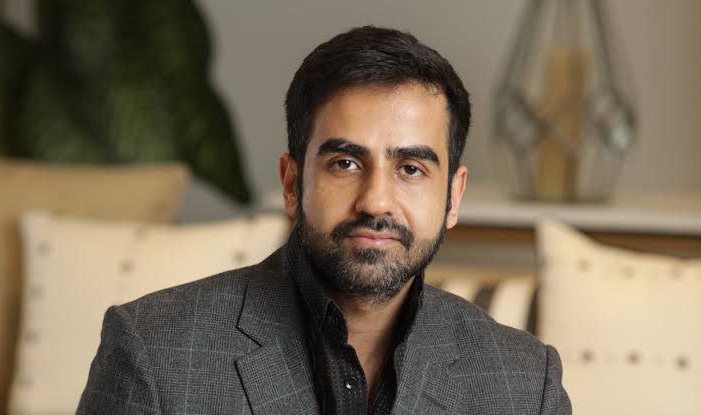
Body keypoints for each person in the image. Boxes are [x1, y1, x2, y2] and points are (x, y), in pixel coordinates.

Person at [77, 26, 571, 414]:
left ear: (453, 196)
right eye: (345, 163)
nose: (376, 202)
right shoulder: (153, 350)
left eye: (410, 169)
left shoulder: (527, 384)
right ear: (292, 183)